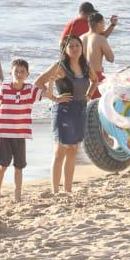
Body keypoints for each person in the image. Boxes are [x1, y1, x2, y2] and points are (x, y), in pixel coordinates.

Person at [37, 36, 92, 192]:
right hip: (63, 111)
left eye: (77, 45)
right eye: (71, 46)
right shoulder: (60, 66)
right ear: (65, 50)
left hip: (80, 110)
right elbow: (38, 82)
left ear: (81, 48)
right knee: (60, 151)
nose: (75, 48)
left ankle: (68, 190)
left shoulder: (86, 66)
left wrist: (89, 95)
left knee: (73, 149)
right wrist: (54, 97)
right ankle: (55, 191)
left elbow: (94, 80)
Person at [0, 59, 43, 202]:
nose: (19, 74)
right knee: (2, 166)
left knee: (19, 166)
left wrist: (50, 81)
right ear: (10, 73)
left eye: (22, 72)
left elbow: (45, 94)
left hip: (20, 135)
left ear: (27, 74)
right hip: (3, 134)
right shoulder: (4, 88)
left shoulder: (30, 89)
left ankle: (17, 194)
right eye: (16, 71)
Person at [82, 12, 114, 98]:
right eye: (103, 23)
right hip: (96, 76)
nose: (104, 26)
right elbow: (110, 58)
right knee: (96, 106)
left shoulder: (81, 38)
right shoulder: (101, 39)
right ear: (99, 24)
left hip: (81, 77)